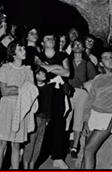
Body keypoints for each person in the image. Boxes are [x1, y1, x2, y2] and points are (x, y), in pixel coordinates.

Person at [0, 40, 36, 169]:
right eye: (20, 49)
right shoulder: (5, 68)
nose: (24, 51)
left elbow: (31, 92)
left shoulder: (28, 71)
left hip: (21, 108)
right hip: (6, 108)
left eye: (24, 48)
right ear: (13, 53)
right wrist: (21, 89)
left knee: (16, 144)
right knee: (2, 143)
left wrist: (14, 89)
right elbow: (4, 91)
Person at [35, 32, 72, 169]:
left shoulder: (63, 56)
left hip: (57, 92)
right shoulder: (38, 56)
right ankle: (37, 155)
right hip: (42, 91)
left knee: (58, 122)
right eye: (47, 38)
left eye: (52, 38)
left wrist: (48, 68)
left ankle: (58, 157)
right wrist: (58, 68)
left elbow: (68, 72)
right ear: (42, 43)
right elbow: (38, 71)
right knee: (41, 122)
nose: (50, 40)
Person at [67, 38, 98, 158]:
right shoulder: (68, 61)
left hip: (81, 92)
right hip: (68, 92)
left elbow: (95, 79)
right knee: (67, 118)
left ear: (83, 48)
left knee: (79, 118)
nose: (78, 46)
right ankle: (65, 143)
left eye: (80, 45)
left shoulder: (87, 63)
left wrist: (86, 87)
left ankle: (75, 146)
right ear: (72, 48)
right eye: (75, 45)